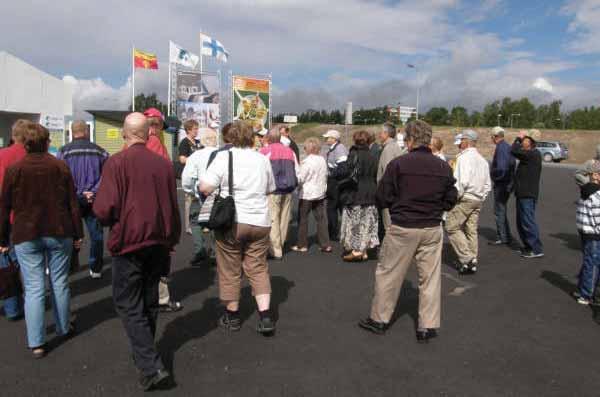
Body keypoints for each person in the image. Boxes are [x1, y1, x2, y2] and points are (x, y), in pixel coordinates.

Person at [93, 113, 181, 391]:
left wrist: (106, 218)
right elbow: (172, 204)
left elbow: (104, 208)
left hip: (129, 242)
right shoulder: (163, 165)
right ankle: (146, 355)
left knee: (128, 303)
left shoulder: (116, 162)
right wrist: (172, 238)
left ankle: (150, 364)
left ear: (124, 133)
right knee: (148, 300)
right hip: (158, 241)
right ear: (149, 133)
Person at [359, 120, 457, 341]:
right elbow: (451, 198)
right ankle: (427, 326)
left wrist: (397, 206)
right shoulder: (442, 166)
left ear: (410, 140)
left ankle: (379, 319)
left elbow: (382, 196)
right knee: (430, 279)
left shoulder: (399, 164)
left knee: (389, 274)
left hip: (404, 225)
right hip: (432, 226)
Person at [0, 122, 83, 358]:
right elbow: (72, 204)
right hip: (59, 231)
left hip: (26, 233)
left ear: (24, 143)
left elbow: (4, 207)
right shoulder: (60, 166)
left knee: (34, 287)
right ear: (47, 142)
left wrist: (2, 237)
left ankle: (36, 342)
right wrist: (78, 234)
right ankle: (63, 327)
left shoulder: (15, 170)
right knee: (59, 282)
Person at [199, 121, 277, 335]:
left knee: (230, 269)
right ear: (251, 137)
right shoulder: (262, 159)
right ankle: (265, 316)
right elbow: (271, 188)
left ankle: (233, 317)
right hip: (260, 221)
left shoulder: (224, 157)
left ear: (230, 138)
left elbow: (205, 186)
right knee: (258, 268)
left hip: (232, 221)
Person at [138, 108, 181, 312]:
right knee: (160, 254)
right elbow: (161, 178)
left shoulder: (133, 145)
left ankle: (143, 297)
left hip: (138, 208)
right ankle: (160, 299)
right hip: (155, 207)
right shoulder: (155, 143)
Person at [57, 120, 109, 279]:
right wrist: (93, 191)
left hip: (72, 199)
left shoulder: (63, 152)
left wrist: (76, 192)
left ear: (72, 132)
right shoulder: (100, 151)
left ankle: (71, 265)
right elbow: (107, 174)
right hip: (93, 199)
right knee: (96, 235)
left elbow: (59, 177)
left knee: (70, 233)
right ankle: (96, 268)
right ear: (86, 132)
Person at [445, 130, 491, 274]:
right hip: (477, 199)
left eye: (462, 139)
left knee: (451, 226)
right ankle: (472, 259)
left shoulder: (464, 158)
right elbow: (488, 184)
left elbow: (461, 182)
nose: (460, 142)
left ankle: (467, 258)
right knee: (471, 229)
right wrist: (481, 197)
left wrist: (454, 198)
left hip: (466, 197)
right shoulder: (482, 160)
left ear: (467, 141)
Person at [0, 119, 29, 321]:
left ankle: (12, 308)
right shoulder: (35, 157)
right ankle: (32, 301)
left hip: (6, 218)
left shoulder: (2, 156)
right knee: (30, 265)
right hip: (30, 220)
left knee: (6, 264)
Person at [338, 130, 379, 262]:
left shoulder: (354, 154)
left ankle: (356, 251)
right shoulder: (373, 156)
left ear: (355, 140)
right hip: (370, 191)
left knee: (355, 222)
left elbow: (348, 173)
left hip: (356, 192)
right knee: (367, 222)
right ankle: (364, 250)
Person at [181, 128, 219, 266]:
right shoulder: (223, 154)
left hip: (200, 194)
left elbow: (187, 179)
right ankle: (216, 251)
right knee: (217, 223)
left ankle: (200, 251)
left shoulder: (195, 156)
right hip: (218, 196)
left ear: (202, 140)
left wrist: (191, 191)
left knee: (195, 222)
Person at [259, 129, 298, 260]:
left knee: (273, 218)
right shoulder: (289, 151)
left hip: (273, 189)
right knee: (284, 217)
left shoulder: (264, 151)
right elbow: (296, 169)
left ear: (268, 138)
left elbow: (261, 172)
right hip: (288, 189)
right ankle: (280, 243)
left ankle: (276, 249)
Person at [291, 137, 332, 253]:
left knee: (303, 219)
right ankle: (325, 244)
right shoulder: (322, 160)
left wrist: (295, 181)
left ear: (308, 149)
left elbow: (301, 178)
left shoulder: (307, 161)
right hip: (320, 193)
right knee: (321, 219)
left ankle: (302, 244)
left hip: (307, 194)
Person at [512, 129, 544, 259]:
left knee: (527, 221)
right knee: (521, 221)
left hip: (527, 194)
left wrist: (518, 138)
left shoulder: (533, 154)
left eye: (525, 139)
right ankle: (528, 246)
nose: (523, 141)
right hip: (522, 193)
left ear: (531, 142)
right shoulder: (530, 154)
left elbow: (514, 150)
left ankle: (536, 248)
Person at [574, 160, 600, 306]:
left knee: (588, 262)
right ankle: (587, 294)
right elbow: (598, 218)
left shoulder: (585, 190)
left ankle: (581, 289)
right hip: (595, 234)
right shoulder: (597, 194)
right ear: (595, 175)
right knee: (593, 264)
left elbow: (581, 214)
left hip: (585, 232)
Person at [489, 127, 516, 246]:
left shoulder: (501, 148)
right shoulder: (507, 146)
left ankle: (503, 236)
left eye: (491, 137)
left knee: (499, 210)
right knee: (502, 210)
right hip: (507, 183)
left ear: (495, 136)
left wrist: (495, 176)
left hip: (502, 185)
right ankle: (506, 235)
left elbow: (502, 168)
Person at [377, 122, 404, 231]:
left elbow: (387, 173)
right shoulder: (395, 146)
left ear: (386, 133)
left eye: (381, 132)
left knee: (389, 226)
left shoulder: (388, 148)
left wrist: (384, 193)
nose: (379, 135)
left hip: (388, 194)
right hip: (394, 193)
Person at [323, 130, 348, 241]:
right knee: (334, 208)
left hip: (337, 182)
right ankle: (335, 231)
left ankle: (334, 233)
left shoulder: (339, 148)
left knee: (333, 207)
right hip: (335, 181)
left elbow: (343, 167)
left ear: (334, 139)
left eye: (328, 137)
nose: (326, 139)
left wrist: (331, 174)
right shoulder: (335, 148)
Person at [178, 119, 203, 235]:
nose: (197, 131)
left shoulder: (198, 142)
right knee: (189, 201)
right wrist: (195, 160)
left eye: (197, 128)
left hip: (199, 176)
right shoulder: (184, 142)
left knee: (200, 201)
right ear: (188, 130)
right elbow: (182, 159)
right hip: (189, 176)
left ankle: (200, 224)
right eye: (195, 129)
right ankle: (188, 227)